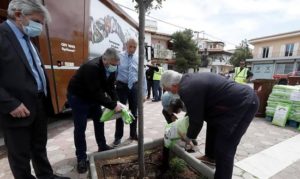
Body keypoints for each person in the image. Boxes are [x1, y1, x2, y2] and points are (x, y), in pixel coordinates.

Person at [0, 1, 70, 179]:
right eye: (36, 21)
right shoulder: (2, 35)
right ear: (18, 15)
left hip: (38, 104)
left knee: (39, 147)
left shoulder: (27, 40)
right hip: (17, 109)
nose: (39, 27)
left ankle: (46, 176)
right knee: (19, 156)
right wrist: (10, 103)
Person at [160, 70, 259, 179]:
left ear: (174, 85)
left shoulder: (186, 89)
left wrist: (188, 138)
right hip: (229, 104)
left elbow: (196, 121)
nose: (170, 93)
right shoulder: (188, 80)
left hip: (242, 104)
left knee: (224, 149)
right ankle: (211, 157)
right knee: (212, 124)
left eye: (169, 90)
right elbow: (194, 112)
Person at [67, 48, 122, 173]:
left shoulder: (111, 67)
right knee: (80, 127)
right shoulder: (92, 67)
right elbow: (96, 93)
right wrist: (113, 105)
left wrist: (117, 101)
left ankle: (102, 146)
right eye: (113, 64)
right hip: (79, 97)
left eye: (116, 65)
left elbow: (110, 87)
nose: (115, 67)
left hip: (93, 96)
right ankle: (81, 158)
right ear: (105, 59)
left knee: (99, 120)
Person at [113, 38, 147, 146]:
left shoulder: (139, 58)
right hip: (121, 86)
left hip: (134, 86)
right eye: (130, 46)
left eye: (134, 47)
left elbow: (143, 76)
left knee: (134, 111)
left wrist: (144, 92)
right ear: (126, 45)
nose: (132, 49)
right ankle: (118, 136)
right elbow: (114, 72)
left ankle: (133, 134)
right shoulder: (119, 56)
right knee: (120, 111)